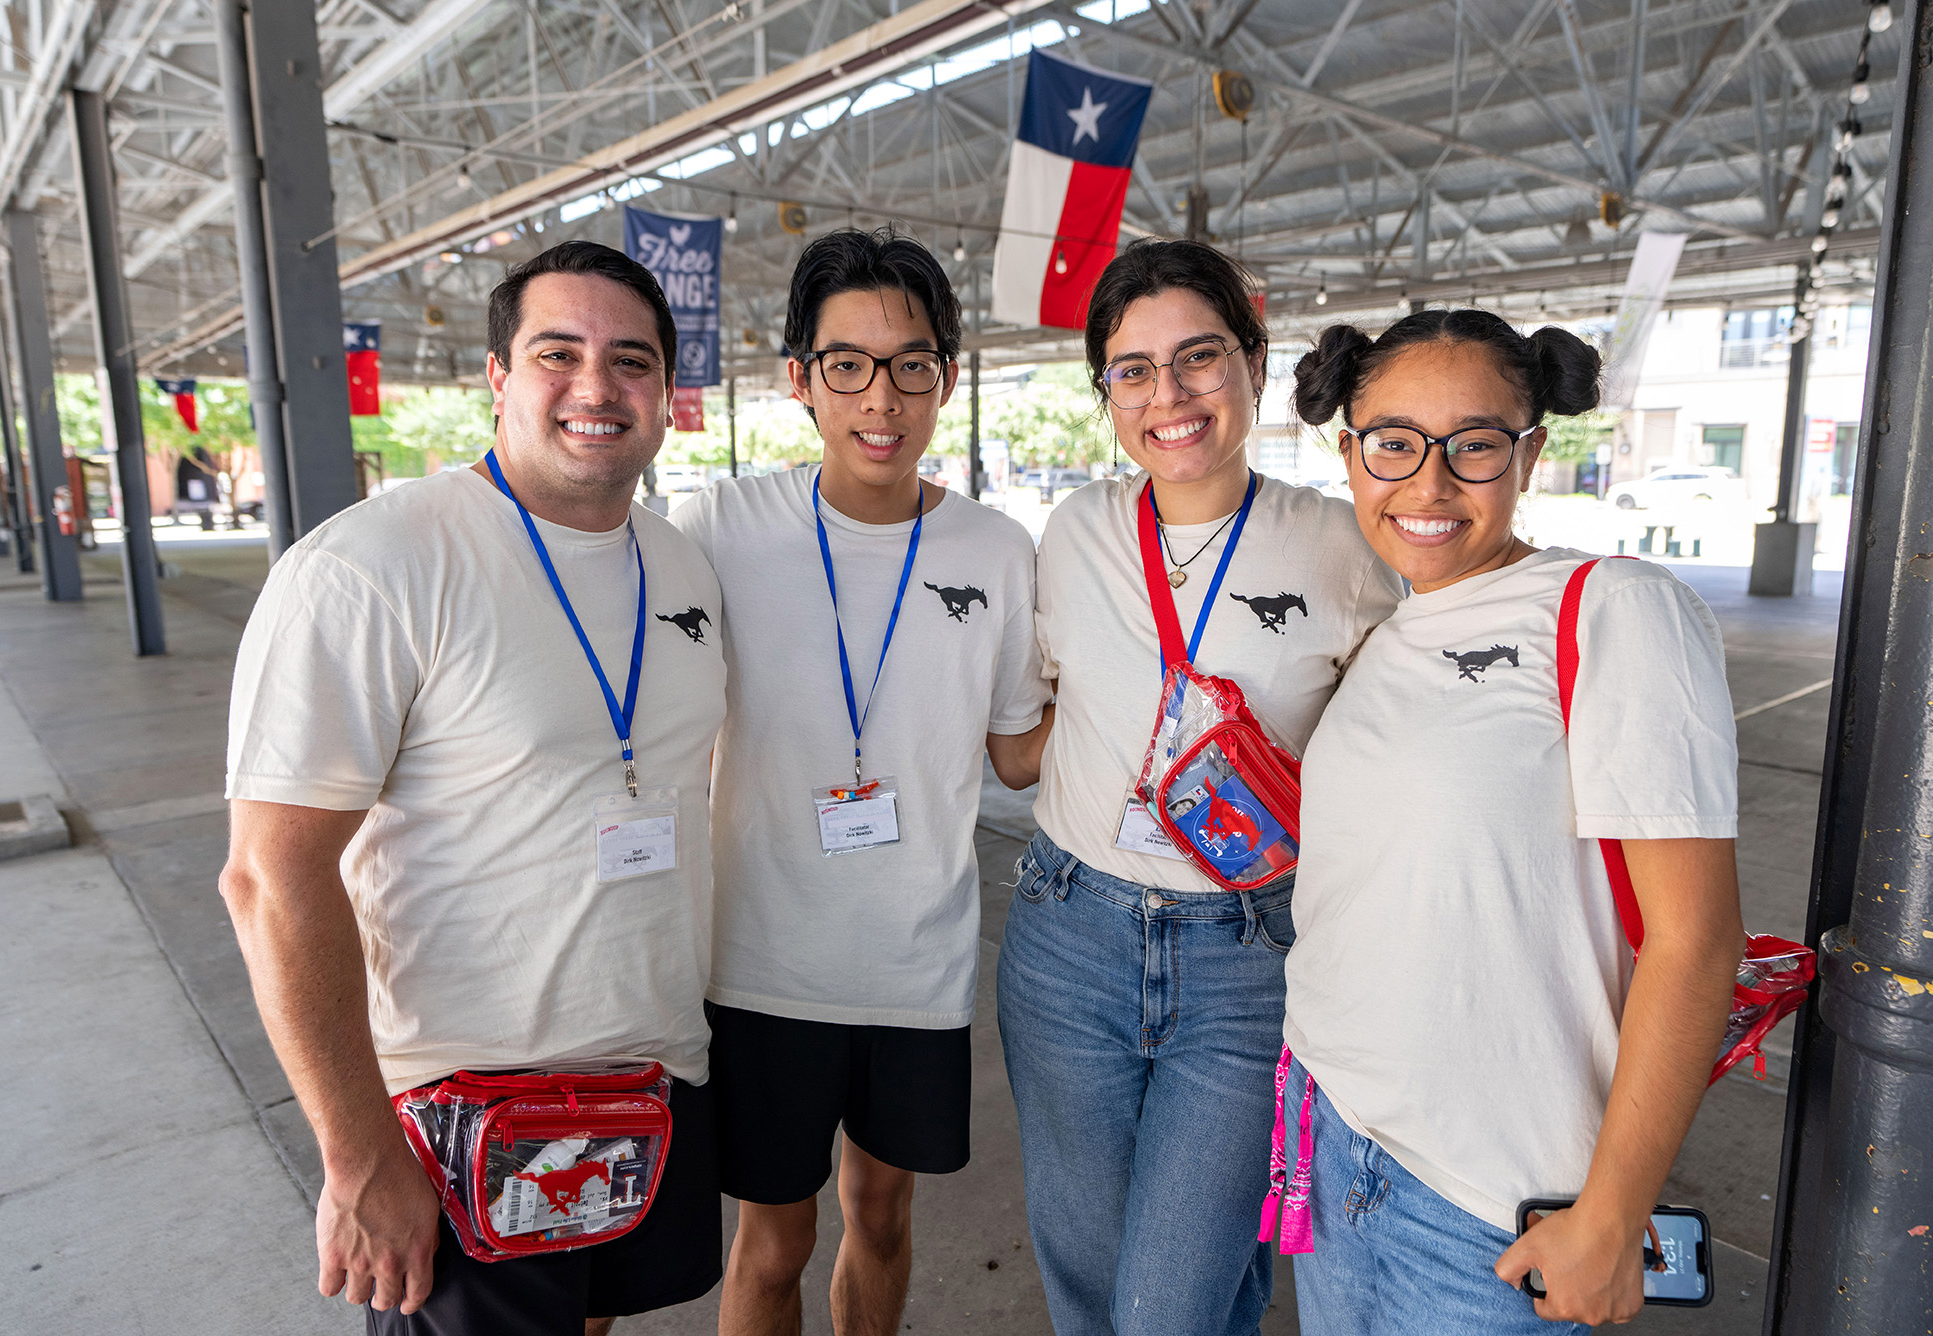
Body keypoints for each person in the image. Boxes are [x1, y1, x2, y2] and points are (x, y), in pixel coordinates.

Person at [220, 240, 727, 1335]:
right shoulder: (373, 567)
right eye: (559, 352)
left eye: (631, 360)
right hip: (461, 1114)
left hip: (645, 1081)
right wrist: (357, 1155)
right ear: (497, 378)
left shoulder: (679, 565)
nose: (598, 386)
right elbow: (270, 877)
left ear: (667, 396)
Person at [1275, 309, 1746, 1333]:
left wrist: (1614, 1218)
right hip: (1335, 1138)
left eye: (1474, 444)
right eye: (1393, 442)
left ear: (1529, 452)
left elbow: (1696, 939)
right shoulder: (1384, 633)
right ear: (1350, 452)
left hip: (1490, 1210)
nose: (1429, 483)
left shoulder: (1609, 608)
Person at [997, 237, 1402, 1336]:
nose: (1167, 395)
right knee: (1088, 1284)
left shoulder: (1342, 548)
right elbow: (1027, 725)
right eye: (1132, 370)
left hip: (1247, 961)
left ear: (1254, 362)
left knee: (1170, 1301)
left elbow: (1405, 748)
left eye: (1199, 358)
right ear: (1107, 394)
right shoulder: (1074, 533)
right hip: (1068, 939)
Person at [670, 228, 1052, 1336]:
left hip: (916, 958)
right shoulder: (723, 529)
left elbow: (1017, 749)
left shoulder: (995, 551)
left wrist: (1144, 687)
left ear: (947, 375)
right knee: (774, 1240)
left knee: (882, 1216)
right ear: (800, 377)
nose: (882, 398)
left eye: (912, 365)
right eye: (849, 364)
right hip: (761, 962)